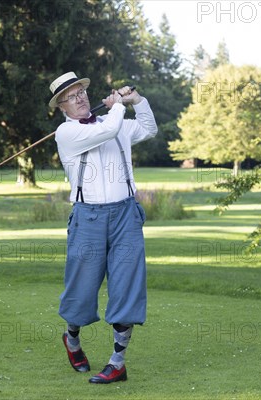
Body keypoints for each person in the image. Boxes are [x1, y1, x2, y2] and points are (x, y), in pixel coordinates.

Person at [48, 71, 158, 384]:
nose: (79, 98)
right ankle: (72, 338)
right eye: (70, 97)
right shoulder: (66, 134)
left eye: (80, 91)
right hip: (88, 217)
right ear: (62, 108)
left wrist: (136, 101)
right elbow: (108, 130)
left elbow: (149, 128)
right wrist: (119, 106)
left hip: (126, 215)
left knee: (127, 287)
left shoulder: (116, 122)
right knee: (81, 289)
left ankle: (117, 362)